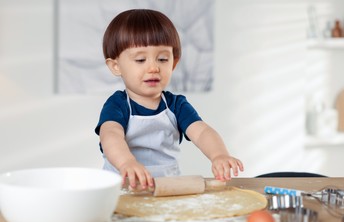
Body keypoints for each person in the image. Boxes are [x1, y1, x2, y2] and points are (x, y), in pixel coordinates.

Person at [95, 9, 243, 190]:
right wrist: (127, 162)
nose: (153, 67)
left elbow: (202, 132)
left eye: (162, 59)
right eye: (141, 60)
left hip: (167, 188)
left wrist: (219, 154)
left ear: (173, 63)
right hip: (122, 188)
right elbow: (110, 135)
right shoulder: (117, 105)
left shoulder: (175, 105)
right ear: (116, 66)